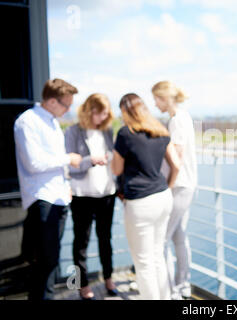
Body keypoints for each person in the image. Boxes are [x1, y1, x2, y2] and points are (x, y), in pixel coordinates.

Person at [14, 78, 82, 300]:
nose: (69, 109)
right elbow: (34, 163)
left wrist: (67, 184)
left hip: (59, 197)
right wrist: (68, 159)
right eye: (66, 104)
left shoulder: (51, 121)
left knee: (50, 261)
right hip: (43, 199)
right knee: (45, 262)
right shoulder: (28, 122)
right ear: (52, 101)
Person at [111, 93, 181, 300]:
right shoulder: (160, 130)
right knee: (158, 256)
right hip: (162, 196)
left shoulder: (125, 134)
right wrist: (167, 188)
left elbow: (116, 170)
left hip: (140, 202)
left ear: (125, 111)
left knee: (143, 263)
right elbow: (176, 165)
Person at [64, 93, 118, 300]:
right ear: (89, 111)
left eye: (106, 114)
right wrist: (90, 160)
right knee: (81, 243)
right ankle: (82, 285)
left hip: (107, 194)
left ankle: (108, 279)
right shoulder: (72, 132)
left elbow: (114, 159)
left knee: (106, 240)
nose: (104, 118)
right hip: (82, 195)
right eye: (100, 114)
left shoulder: (106, 131)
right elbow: (71, 166)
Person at [152, 81, 197, 299]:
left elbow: (175, 158)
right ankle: (182, 286)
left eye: (156, 99)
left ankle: (169, 292)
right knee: (179, 236)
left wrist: (165, 186)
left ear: (164, 98)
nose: (154, 103)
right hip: (185, 185)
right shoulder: (182, 117)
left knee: (161, 240)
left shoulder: (177, 120)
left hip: (178, 186)